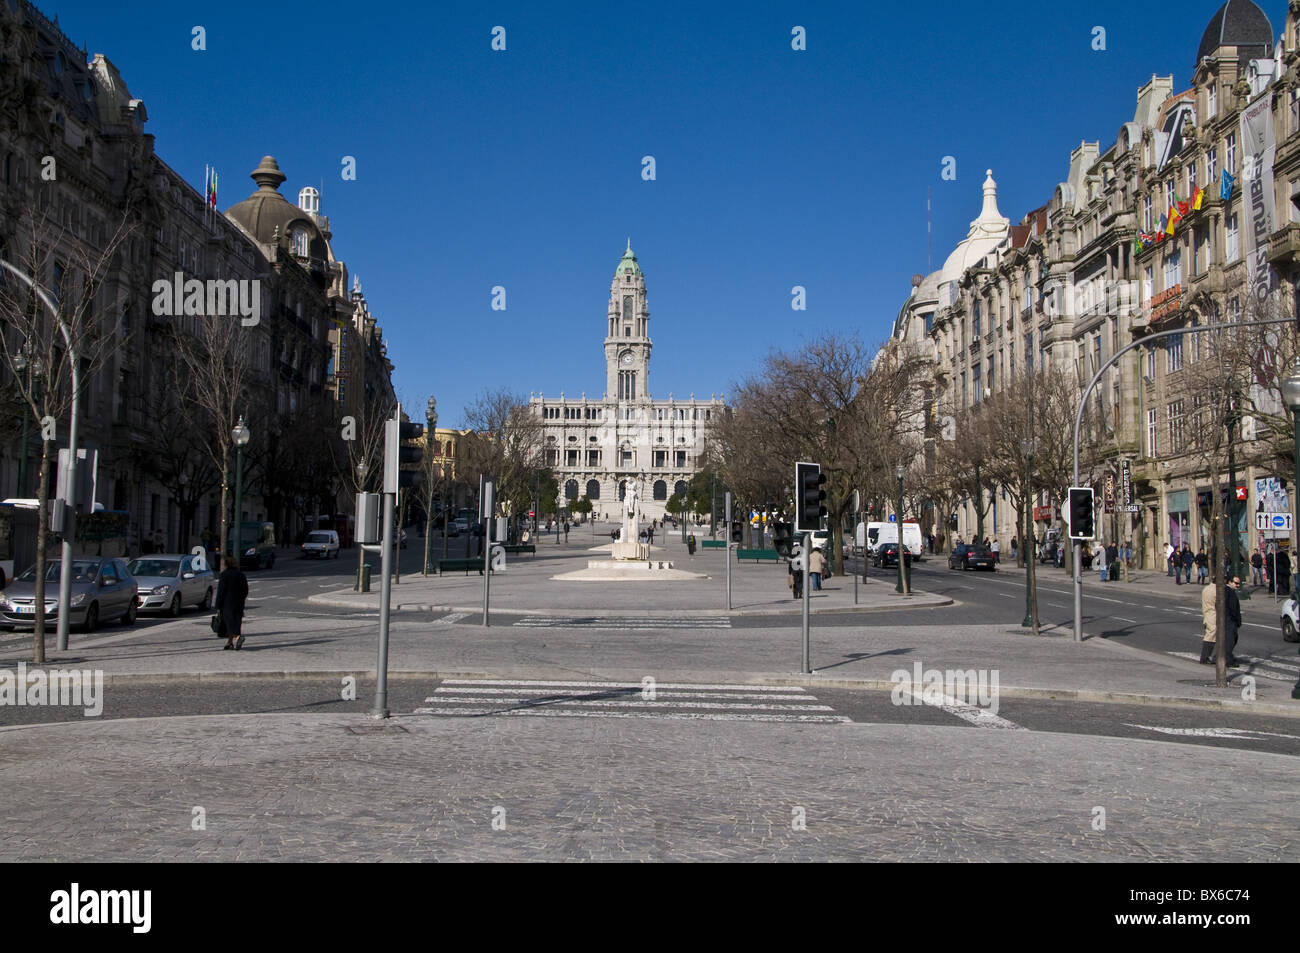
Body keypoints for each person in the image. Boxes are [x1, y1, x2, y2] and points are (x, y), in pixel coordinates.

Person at [215, 555, 249, 651]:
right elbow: (245, 590)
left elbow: (221, 591)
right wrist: (242, 599)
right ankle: (229, 643)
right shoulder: (241, 575)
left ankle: (238, 637)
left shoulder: (224, 575)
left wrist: (218, 604)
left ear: (226, 564)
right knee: (237, 622)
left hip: (227, 603)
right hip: (239, 602)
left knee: (228, 622)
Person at [1224, 575, 1242, 666]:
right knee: (1230, 640)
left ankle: (1225, 657)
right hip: (1229, 620)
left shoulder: (1229, 591)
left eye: (1239, 583)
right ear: (1230, 582)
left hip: (1229, 619)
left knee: (1233, 639)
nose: (1238, 585)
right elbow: (1232, 608)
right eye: (1236, 583)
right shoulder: (1228, 591)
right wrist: (1235, 619)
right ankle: (1228, 660)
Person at [1199, 576, 1218, 664]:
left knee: (1210, 635)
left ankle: (1206, 656)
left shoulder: (1206, 588)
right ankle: (1205, 657)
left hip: (1207, 613)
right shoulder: (1215, 591)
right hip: (1213, 614)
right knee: (1211, 636)